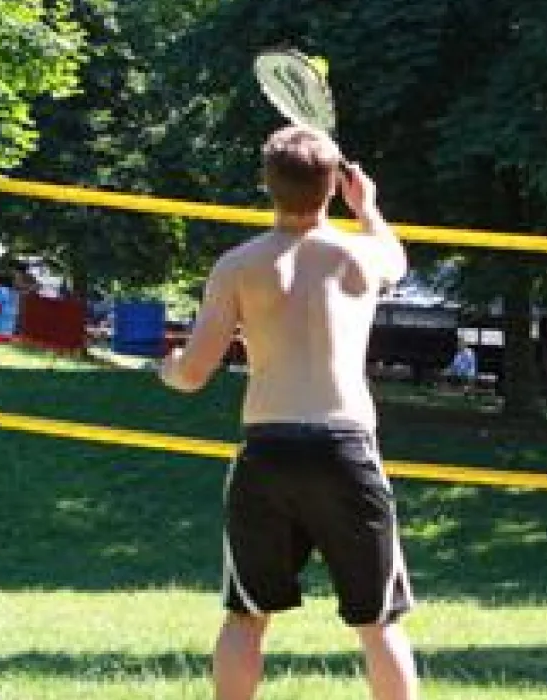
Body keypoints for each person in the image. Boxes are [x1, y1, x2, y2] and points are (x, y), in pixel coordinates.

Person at [158, 125, 417, 700]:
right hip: (346, 446)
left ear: (265, 185)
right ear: (331, 189)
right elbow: (397, 259)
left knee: (246, 617)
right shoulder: (360, 255)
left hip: (267, 449)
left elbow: (193, 374)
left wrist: (169, 366)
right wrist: (368, 207)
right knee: (379, 624)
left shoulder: (238, 266)